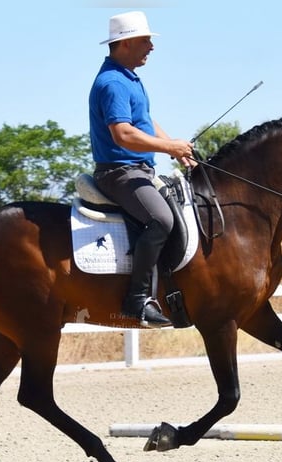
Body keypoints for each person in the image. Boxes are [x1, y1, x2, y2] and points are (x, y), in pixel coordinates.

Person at [89, 11, 194, 328]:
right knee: (161, 219)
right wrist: (168, 147)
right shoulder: (112, 83)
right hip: (119, 173)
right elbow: (123, 133)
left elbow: (145, 123)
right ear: (126, 43)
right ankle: (137, 301)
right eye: (145, 40)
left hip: (140, 169)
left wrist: (172, 144)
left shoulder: (129, 78)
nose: (151, 46)